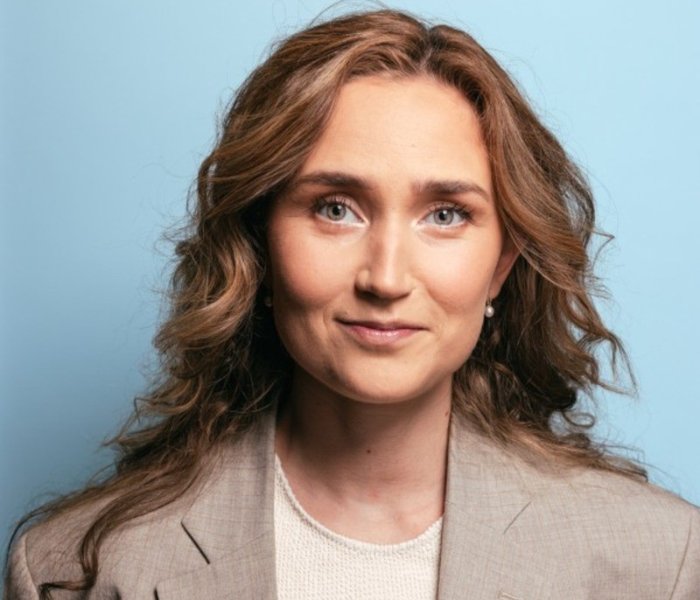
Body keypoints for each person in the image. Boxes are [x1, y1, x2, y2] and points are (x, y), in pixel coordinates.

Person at [5, 8, 699, 600]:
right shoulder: (73, 572)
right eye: (335, 208)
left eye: (446, 215)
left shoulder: (660, 563)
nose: (386, 278)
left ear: (501, 267)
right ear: (259, 242)